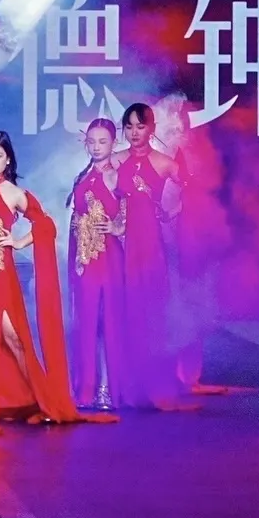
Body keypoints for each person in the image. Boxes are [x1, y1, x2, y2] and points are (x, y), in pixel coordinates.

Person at [0, 130, 95, 425]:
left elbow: (45, 224)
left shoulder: (15, 193)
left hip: (0, 276)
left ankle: (41, 399)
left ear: (8, 159)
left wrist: (19, 242)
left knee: (13, 337)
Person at [113, 101, 190, 409]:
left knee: (151, 310)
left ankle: (155, 382)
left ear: (152, 128)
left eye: (140, 126)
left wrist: (171, 213)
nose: (134, 132)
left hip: (149, 244)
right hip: (118, 242)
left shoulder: (165, 163)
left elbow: (192, 192)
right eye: (129, 126)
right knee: (122, 310)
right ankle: (122, 385)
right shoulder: (114, 161)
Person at [68, 119, 127, 412]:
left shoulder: (117, 176)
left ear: (114, 143)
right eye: (91, 141)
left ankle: (106, 387)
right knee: (86, 322)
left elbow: (137, 210)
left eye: (102, 141)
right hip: (83, 260)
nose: (96, 147)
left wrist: (119, 227)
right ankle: (86, 388)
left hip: (108, 258)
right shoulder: (82, 176)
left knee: (106, 322)